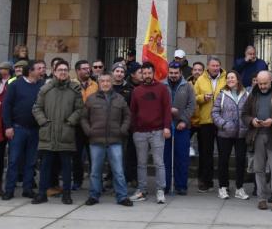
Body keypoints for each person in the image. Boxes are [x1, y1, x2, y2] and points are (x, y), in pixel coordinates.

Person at [32, 60, 82, 205]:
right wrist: (43, 122)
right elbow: (36, 108)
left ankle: (66, 194)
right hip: (48, 133)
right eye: (60, 70)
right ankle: (42, 194)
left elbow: (80, 109)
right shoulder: (45, 89)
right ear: (54, 72)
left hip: (66, 134)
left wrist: (71, 121)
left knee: (66, 167)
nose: (63, 72)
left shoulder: (75, 89)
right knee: (45, 166)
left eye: (65, 70)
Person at [242, 70, 272, 212]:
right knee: (259, 169)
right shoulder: (253, 95)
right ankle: (262, 198)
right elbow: (244, 114)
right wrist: (252, 121)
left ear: (271, 81)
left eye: (265, 83)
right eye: (260, 83)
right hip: (257, 135)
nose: (262, 86)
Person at [82, 73, 133, 206]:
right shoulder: (91, 99)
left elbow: (128, 116)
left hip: (115, 140)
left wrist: (123, 129)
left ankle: (122, 196)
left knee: (118, 171)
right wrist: (89, 131)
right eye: (102, 81)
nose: (105, 83)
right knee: (95, 171)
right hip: (96, 141)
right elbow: (83, 118)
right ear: (99, 83)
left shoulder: (119, 99)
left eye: (108, 81)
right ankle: (94, 195)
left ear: (111, 83)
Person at [1, 60, 45, 200]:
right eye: (39, 68)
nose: (42, 70)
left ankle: (27, 188)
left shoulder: (42, 86)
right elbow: (6, 106)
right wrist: (8, 126)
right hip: (17, 128)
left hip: (35, 129)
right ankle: (9, 189)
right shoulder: (15, 85)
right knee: (14, 160)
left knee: (31, 161)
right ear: (31, 70)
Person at [130, 62, 171, 204]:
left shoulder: (162, 89)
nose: (146, 75)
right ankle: (142, 190)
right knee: (141, 163)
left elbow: (167, 109)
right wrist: (135, 129)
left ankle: (160, 190)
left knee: (159, 163)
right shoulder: (137, 91)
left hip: (157, 131)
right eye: (144, 73)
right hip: (140, 133)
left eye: (149, 73)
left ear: (153, 73)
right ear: (141, 74)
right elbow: (133, 112)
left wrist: (166, 127)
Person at [213, 70, 249, 200]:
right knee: (223, 160)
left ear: (238, 79)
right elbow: (215, 113)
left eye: (232, 77)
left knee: (240, 160)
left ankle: (240, 188)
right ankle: (223, 187)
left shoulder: (246, 94)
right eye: (228, 78)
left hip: (242, 134)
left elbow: (250, 112)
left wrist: (247, 124)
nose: (230, 80)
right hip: (225, 134)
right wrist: (223, 124)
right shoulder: (222, 94)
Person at [193, 56, 225, 192]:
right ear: (208, 66)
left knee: (224, 153)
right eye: (213, 65)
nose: (215, 68)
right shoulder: (200, 80)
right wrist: (202, 98)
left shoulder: (226, 78)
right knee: (206, 153)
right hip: (206, 121)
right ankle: (207, 181)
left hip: (222, 121)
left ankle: (224, 184)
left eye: (217, 65)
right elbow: (193, 98)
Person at [164, 61, 195, 195]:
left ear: (181, 73)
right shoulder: (162, 85)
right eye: (171, 73)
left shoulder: (187, 86)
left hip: (182, 127)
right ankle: (165, 185)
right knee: (166, 158)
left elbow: (192, 105)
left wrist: (183, 120)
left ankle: (181, 185)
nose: (173, 75)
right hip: (166, 127)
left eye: (176, 73)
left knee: (182, 158)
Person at [73, 59, 97, 190]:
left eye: (88, 68)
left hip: (92, 124)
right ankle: (77, 180)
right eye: (84, 68)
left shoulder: (95, 85)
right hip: (76, 125)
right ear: (77, 71)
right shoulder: (71, 84)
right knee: (76, 155)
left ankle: (95, 181)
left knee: (94, 155)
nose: (88, 70)